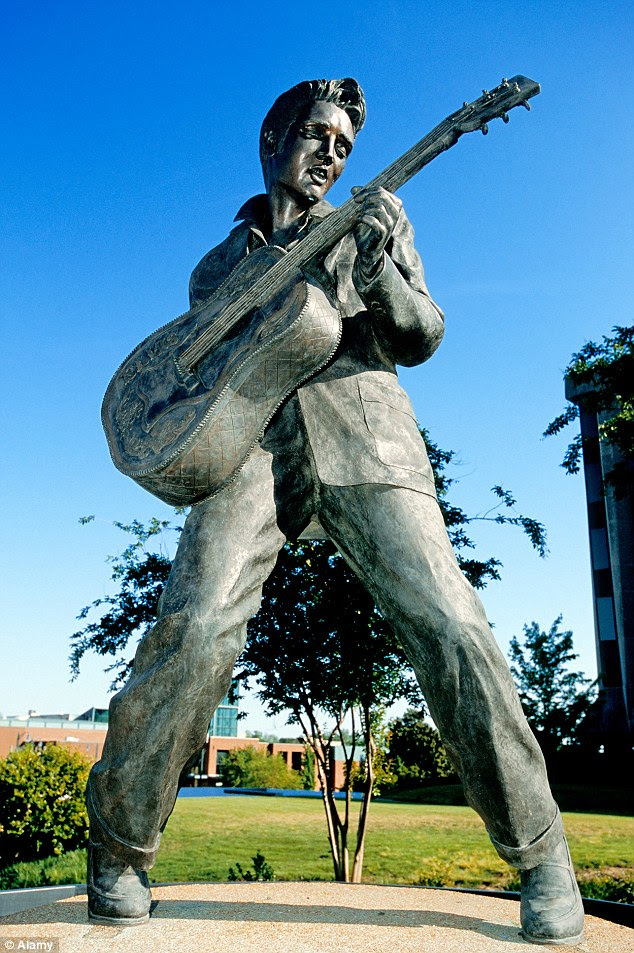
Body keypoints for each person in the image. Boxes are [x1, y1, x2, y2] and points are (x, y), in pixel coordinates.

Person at [87, 78, 584, 944]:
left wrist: (384, 267)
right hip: (250, 450)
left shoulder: (372, 223)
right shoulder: (217, 264)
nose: (330, 154)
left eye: (344, 146)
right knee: (195, 626)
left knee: (452, 623)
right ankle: (120, 844)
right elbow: (199, 373)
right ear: (272, 138)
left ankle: (543, 853)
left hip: (367, 438)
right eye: (316, 134)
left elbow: (422, 332)